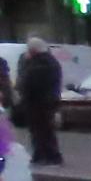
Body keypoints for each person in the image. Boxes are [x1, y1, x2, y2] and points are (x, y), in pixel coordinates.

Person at [13, 34, 63, 166]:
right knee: (43, 130)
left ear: (33, 50)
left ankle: (48, 156)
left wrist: (22, 93)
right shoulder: (50, 61)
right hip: (46, 101)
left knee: (41, 130)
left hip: (39, 103)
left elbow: (29, 82)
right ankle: (43, 155)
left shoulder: (40, 64)